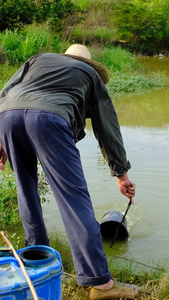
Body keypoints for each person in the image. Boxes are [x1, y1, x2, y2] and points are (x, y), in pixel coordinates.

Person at [0, 44, 138, 299]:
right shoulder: (90, 75)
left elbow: (5, 93)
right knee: (74, 199)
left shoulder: (36, 59)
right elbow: (107, 127)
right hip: (49, 119)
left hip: (7, 117)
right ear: (89, 63)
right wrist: (121, 175)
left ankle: (39, 262)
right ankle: (101, 284)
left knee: (26, 189)